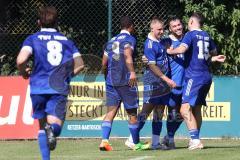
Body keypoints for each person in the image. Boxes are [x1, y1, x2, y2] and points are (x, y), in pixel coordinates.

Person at [16, 6, 84, 160]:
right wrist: (67, 75)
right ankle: (51, 129)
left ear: (38, 22)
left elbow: (21, 60)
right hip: (58, 87)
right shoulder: (66, 41)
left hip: (38, 87)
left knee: (41, 127)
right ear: (56, 23)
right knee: (56, 127)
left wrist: (23, 72)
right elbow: (80, 64)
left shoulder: (32, 38)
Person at [167, 12, 225, 150]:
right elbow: (212, 51)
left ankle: (195, 140)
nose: (186, 24)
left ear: (192, 22)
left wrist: (170, 52)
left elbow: (182, 48)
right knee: (197, 109)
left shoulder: (190, 35)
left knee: (184, 108)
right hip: (206, 77)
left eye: (187, 22)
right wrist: (214, 59)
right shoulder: (206, 35)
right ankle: (195, 139)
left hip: (194, 77)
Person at [99, 16, 150, 151]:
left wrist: (106, 76)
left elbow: (104, 63)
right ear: (131, 26)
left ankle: (104, 141)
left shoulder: (111, 41)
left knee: (111, 112)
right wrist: (132, 72)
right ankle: (135, 143)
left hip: (111, 81)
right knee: (132, 113)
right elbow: (127, 54)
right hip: (126, 80)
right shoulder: (130, 39)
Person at [125, 17, 176, 150]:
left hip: (162, 84)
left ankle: (155, 143)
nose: (161, 31)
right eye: (159, 29)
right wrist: (166, 79)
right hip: (153, 82)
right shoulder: (149, 44)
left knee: (159, 112)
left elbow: (173, 38)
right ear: (152, 29)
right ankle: (132, 139)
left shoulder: (162, 41)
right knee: (145, 112)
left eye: (162, 29)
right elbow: (152, 66)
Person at [160, 16, 185, 150]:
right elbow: (155, 55)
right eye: (174, 26)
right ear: (170, 29)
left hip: (188, 83)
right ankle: (170, 139)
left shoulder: (188, 39)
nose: (177, 28)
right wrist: (146, 58)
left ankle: (168, 137)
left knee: (186, 113)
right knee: (173, 113)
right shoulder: (165, 42)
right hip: (173, 84)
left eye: (179, 25)